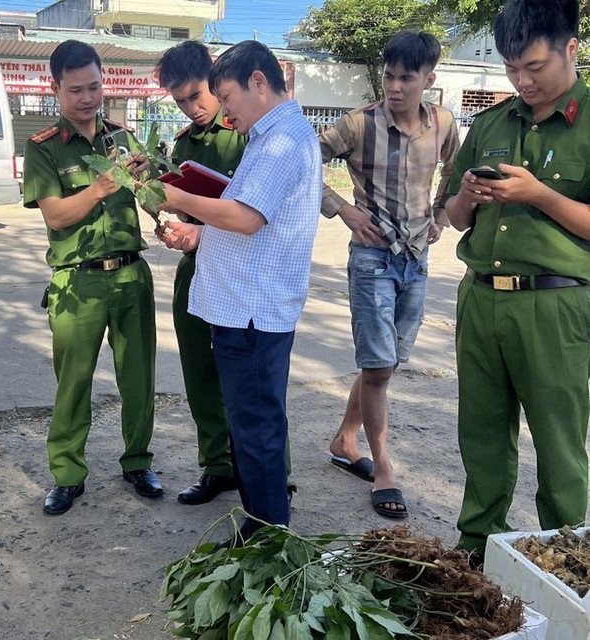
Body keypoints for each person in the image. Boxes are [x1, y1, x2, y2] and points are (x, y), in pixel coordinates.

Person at [158, 40, 321, 539]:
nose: (223, 109)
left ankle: (268, 534)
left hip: (252, 311)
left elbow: (247, 218)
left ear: (257, 81)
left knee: (256, 430)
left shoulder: (280, 141)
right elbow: (254, 219)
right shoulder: (267, 135)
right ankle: (263, 523)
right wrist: (202, 232)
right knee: (252, 427)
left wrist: (178, 195)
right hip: (243, 305)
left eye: (226, 96)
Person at [445, 0, 589, 559]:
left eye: (534, 67)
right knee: (480, 432)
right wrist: (465, 197)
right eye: (511, 68)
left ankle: (567, 554)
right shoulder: (490, 123)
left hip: (556, 308)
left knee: (559, 440)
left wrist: (540, 195)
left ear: (570, 49)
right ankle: (477, 545)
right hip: (481, 298)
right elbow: (454, 218)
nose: (522, 80)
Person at [318, 31, 459, 519]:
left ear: (428, 80)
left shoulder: (442, 123)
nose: (395, 86)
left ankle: (344, 438)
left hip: (417, 261)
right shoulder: (359, 124)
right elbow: (299, 162)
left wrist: (440, 215)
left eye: (407, 77)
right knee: (378, 367)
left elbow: (455, 174)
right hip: (371, 260)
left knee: (388, 362)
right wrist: (343, 210)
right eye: (389, 75)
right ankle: (383, 469)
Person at [23, 40, 162, 516]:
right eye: (76, 90)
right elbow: (57, 215)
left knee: (140, 377)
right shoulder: (42, 148)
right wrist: (101, 185)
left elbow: (150, 202)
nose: (87, 98)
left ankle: (138, 461)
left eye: (95, 87)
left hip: (131, 276)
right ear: (56, 89)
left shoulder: (124, 139)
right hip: (76, 282)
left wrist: (152, 185)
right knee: (74, 381)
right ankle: (67, 473)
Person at [156, 40, 245, 505]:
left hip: (241, 274)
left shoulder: (246, 132)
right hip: (196, 269)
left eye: (196, 96)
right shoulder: (183, 146)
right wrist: (170, 224)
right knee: (199, 372)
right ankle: (217, 467)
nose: (192, 108)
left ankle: (268, 474)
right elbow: (176, 210)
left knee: (248, 379)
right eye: (180, 102)